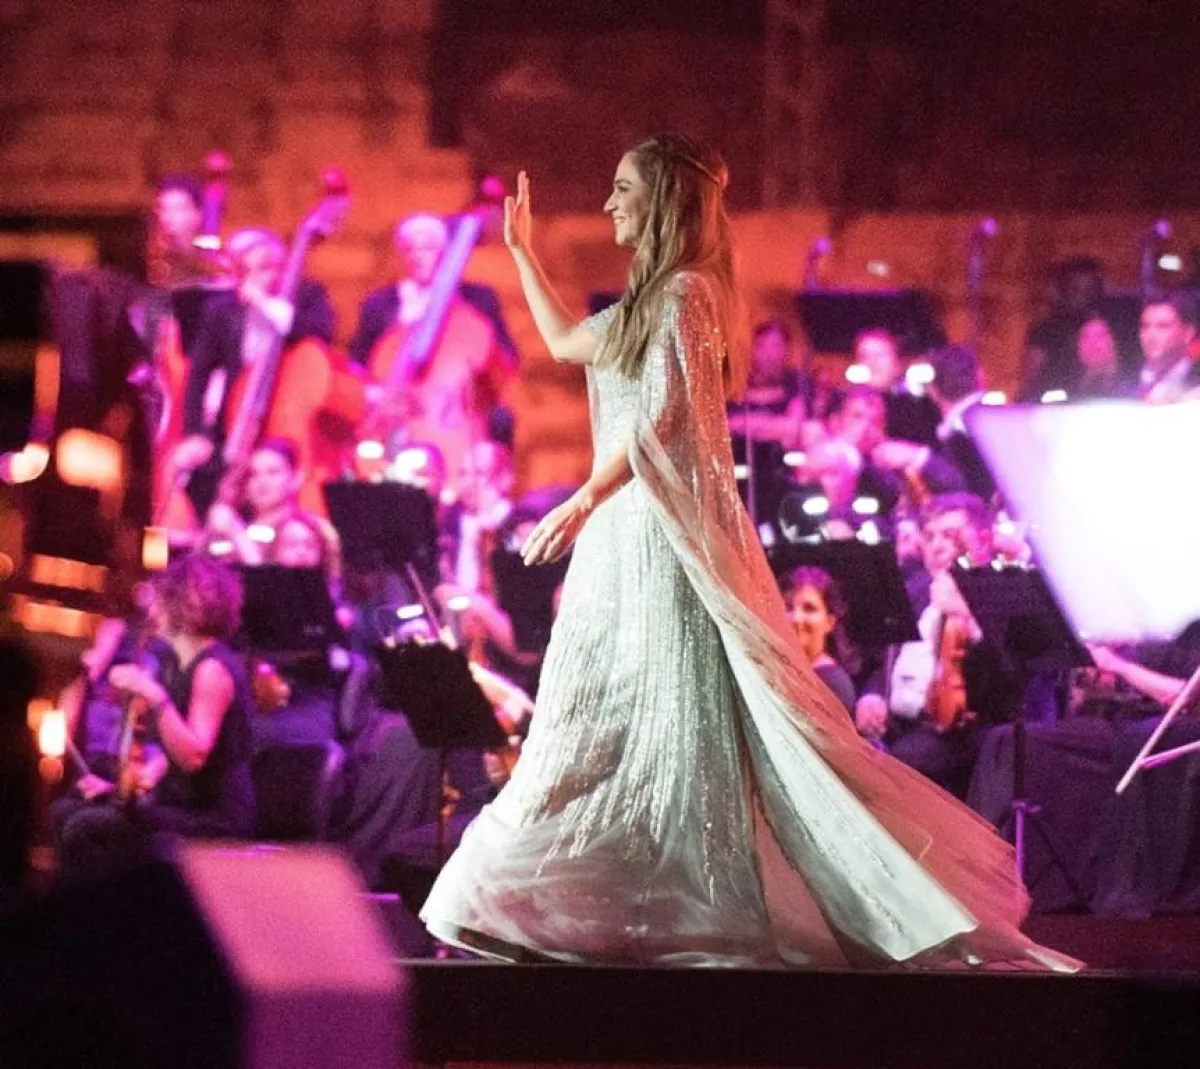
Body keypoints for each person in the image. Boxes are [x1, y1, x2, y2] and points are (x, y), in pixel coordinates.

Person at [419, 135, 1077, 971]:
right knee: (594, 713)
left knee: (677, 711)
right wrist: (521, 253)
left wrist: (584, 497)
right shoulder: (645, 300)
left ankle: (693, 899)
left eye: (623, 189)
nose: (610, 202)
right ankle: (589, 898)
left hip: (663, 533)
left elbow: (663, 415)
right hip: (620, 535)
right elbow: (566, 344)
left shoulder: (688, 293)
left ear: (663, 201)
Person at [55, 556, 255, 881]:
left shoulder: (211, 669)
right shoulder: (176, 664)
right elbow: (168, 760)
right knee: (66, 811)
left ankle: (99, 910)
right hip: (181, 804)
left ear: (187, 604)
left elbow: (193, 757)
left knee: (88, 828)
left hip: (213, 815)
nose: (152, 611)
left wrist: (152, 693)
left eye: (161, 600)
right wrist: (120, 787)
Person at [171, 227, 337, 516]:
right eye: (259, 269)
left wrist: (264, 302)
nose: (271, 276)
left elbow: (318, 331)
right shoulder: (221, 310)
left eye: (274, 266)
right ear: (240, 274)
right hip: (237, 419)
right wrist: (196, 432)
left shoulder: (307, 296)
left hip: (287, 421)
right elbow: (199, 374)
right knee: (200, 479)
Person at [781, 566, 857, 714]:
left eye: (809, 609)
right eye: (789, 607)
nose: (796, 618)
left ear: (829, 622)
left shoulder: (833, 687)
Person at [1136, 293, 1200, 403]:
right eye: (1145, 326)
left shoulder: (1196, 382)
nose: (1150, 335)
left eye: (1163, 326)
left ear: (1187, 333)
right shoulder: (1126, 379)